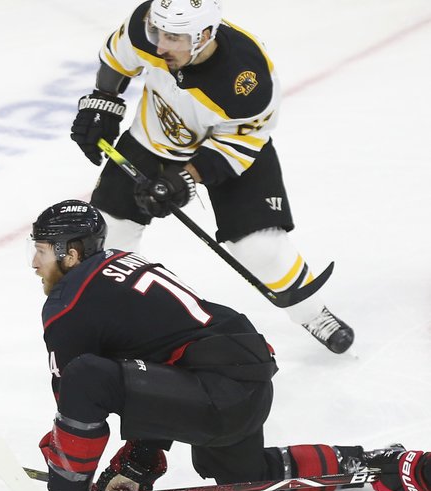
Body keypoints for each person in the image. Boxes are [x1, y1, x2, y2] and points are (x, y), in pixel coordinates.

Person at [0, 200, 429, 491]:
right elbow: (158, 355)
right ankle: (374, 463)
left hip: (216, 393)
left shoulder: (68, 307)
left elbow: (79, 395)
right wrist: (139, 460)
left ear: (70, 254)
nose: (34, 264)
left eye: (40, 251)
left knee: (84, 376)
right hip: (242, 378)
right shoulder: (122, 262)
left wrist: (69, 474)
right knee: (247, 484)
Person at [68, 0, 354, 354]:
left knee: (259, 247)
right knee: (110, 231)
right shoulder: (146, 26)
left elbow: (241, 142)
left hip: (227, 149)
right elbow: (117, 58)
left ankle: (313, 314)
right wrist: (104, 102)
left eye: (174, 37)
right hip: (154, 138)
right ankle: (120, 318)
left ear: (203, 35)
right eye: (159, 32)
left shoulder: (247, 77)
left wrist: (183, 179)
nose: (160, 45)